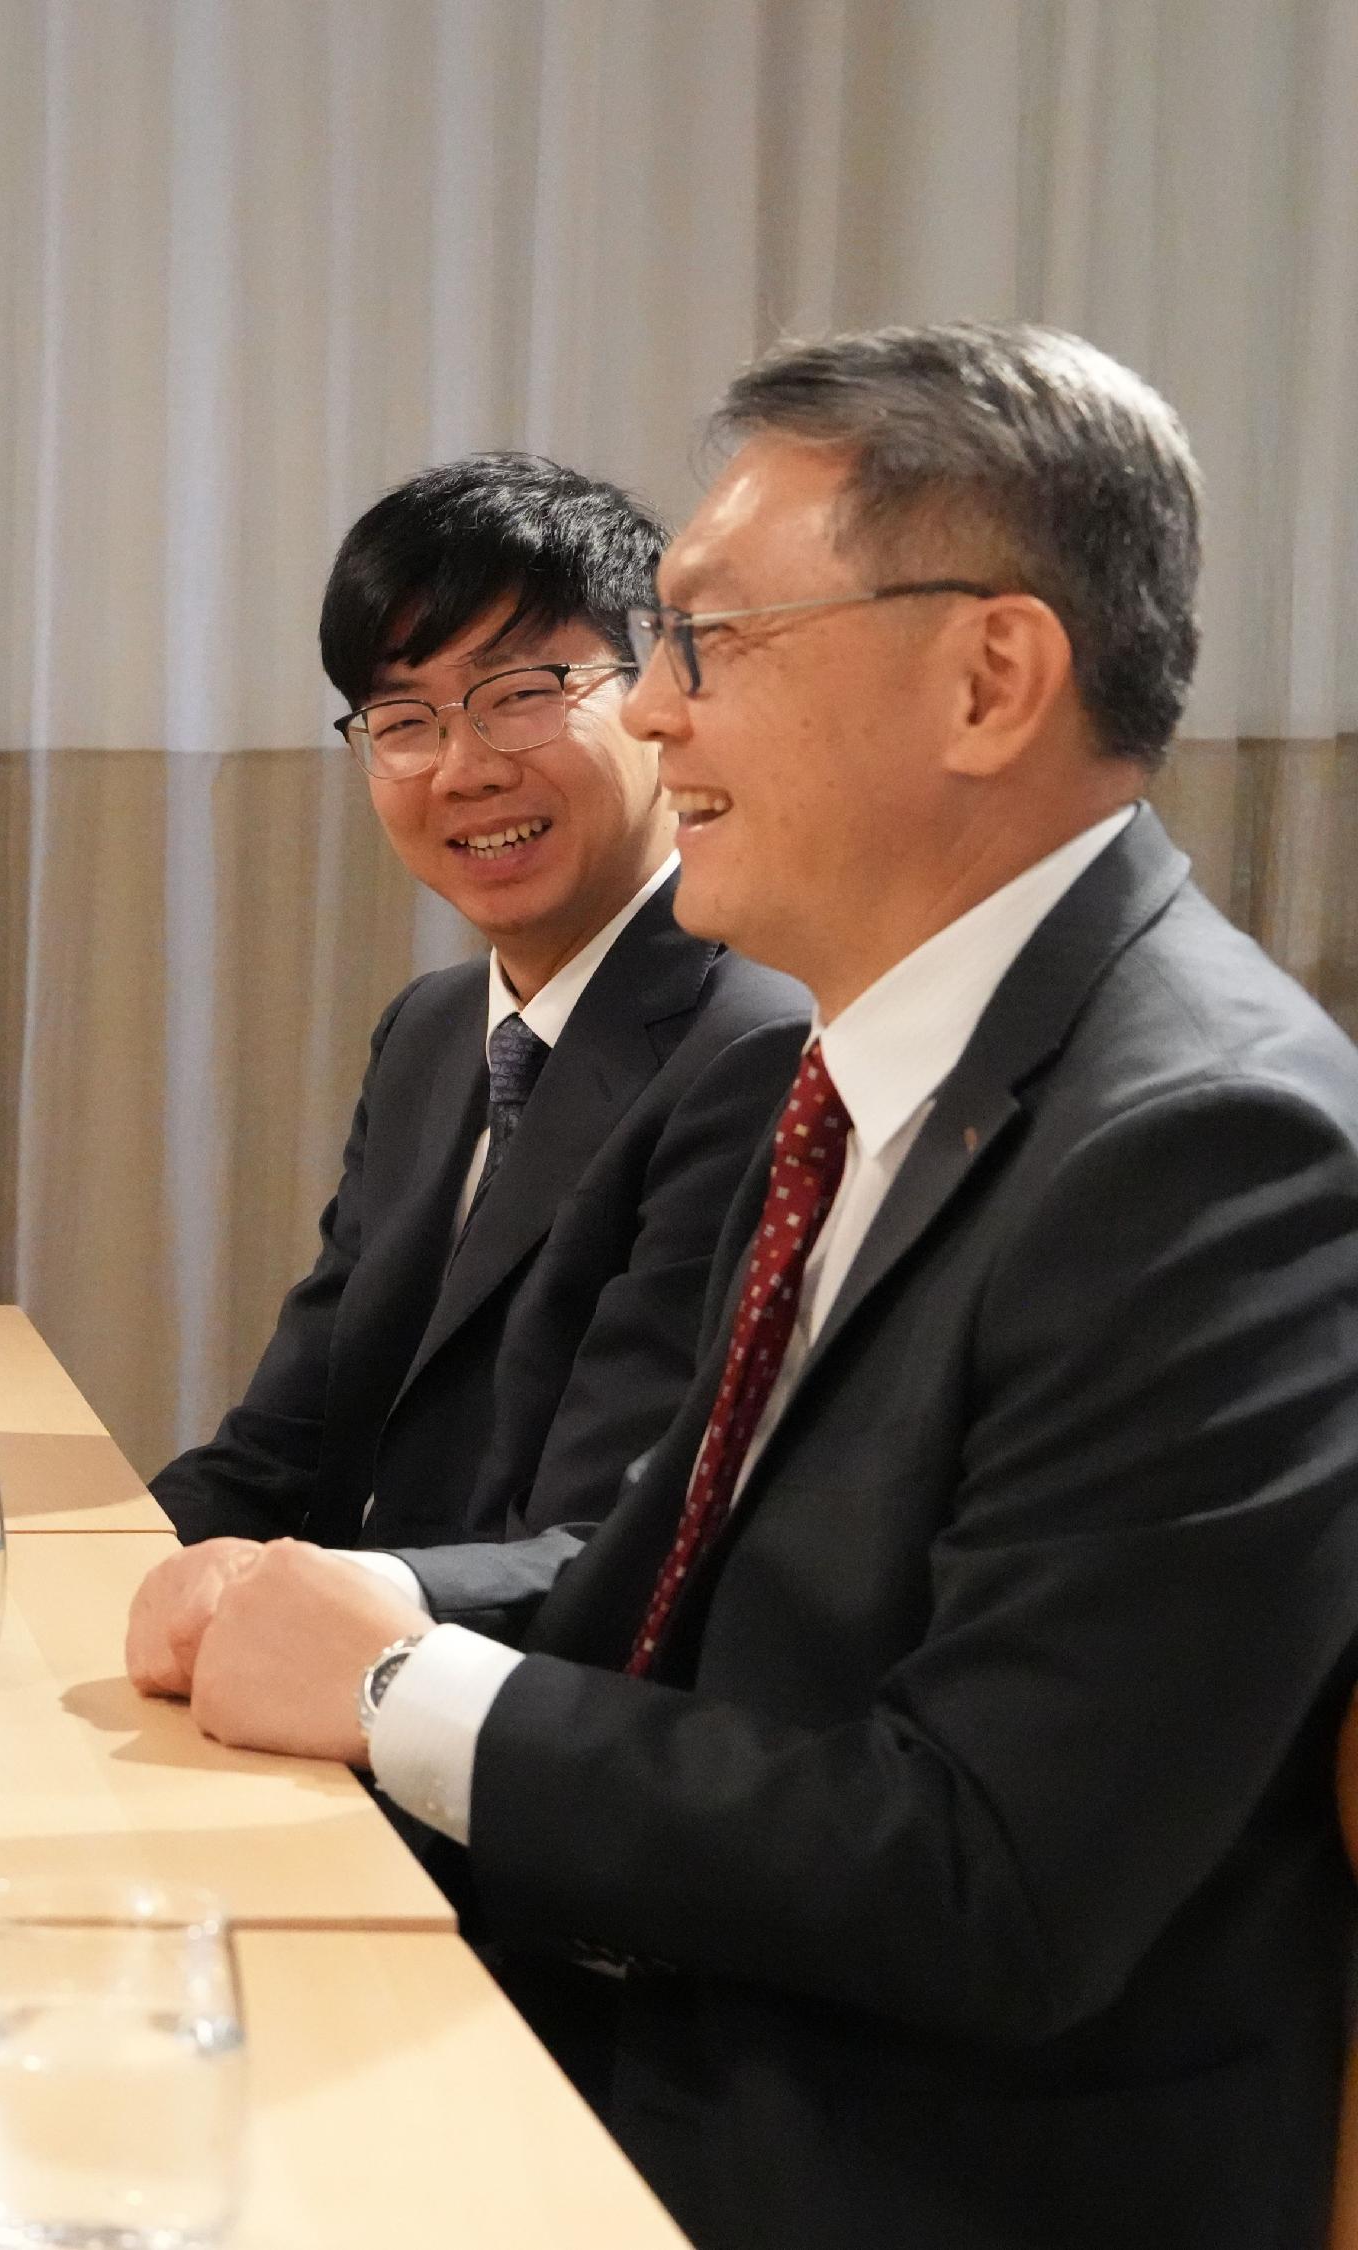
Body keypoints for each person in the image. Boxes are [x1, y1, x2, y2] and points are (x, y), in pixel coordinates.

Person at [177, 322, 1358, 2250]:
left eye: (706, 646)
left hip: (880, 2167)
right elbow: (669, 1573)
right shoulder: (876, 1063)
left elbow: (989, 1874)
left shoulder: (1206, 1147)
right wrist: (351, 1607)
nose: (651, 718)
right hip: (690, 2045)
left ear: (991, 677)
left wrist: (400, 1686)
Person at [127, 456, 808, 1692]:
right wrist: (85, 1572)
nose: (464, 766)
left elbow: (623, 1547)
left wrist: (318, 1610)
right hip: (324, 1683)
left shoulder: (752, 1045)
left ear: (656, 690)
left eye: (523, 692)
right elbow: (284, 1443)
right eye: (403, 720)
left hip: (505, 1730)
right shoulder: (436, 1032)